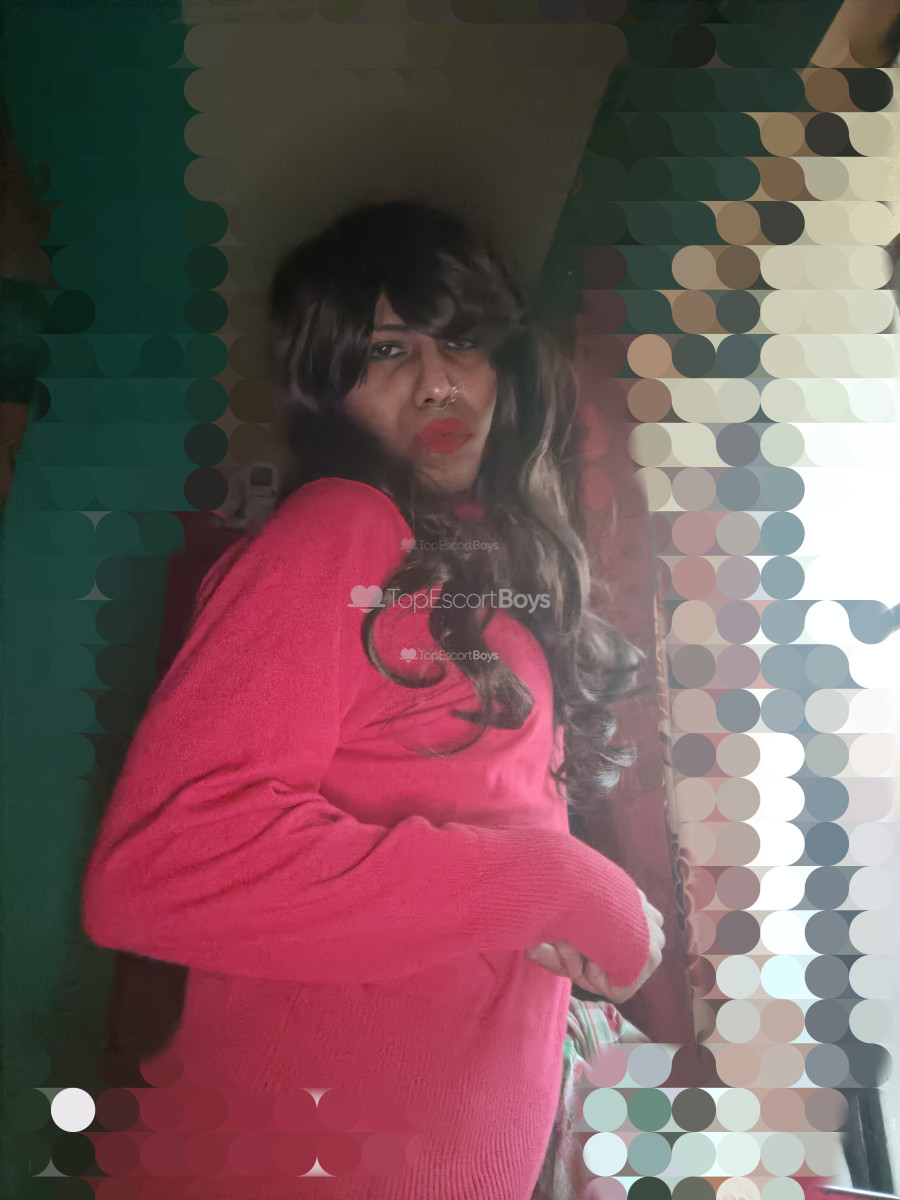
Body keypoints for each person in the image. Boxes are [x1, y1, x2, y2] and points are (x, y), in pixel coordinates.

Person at [81, 200, 665, 1200]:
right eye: (388, 351)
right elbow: (159, 869)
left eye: (462, 339)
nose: (439, 380)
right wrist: (557, 881)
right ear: (330, 389)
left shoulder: (490, 580)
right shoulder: (341, 527)